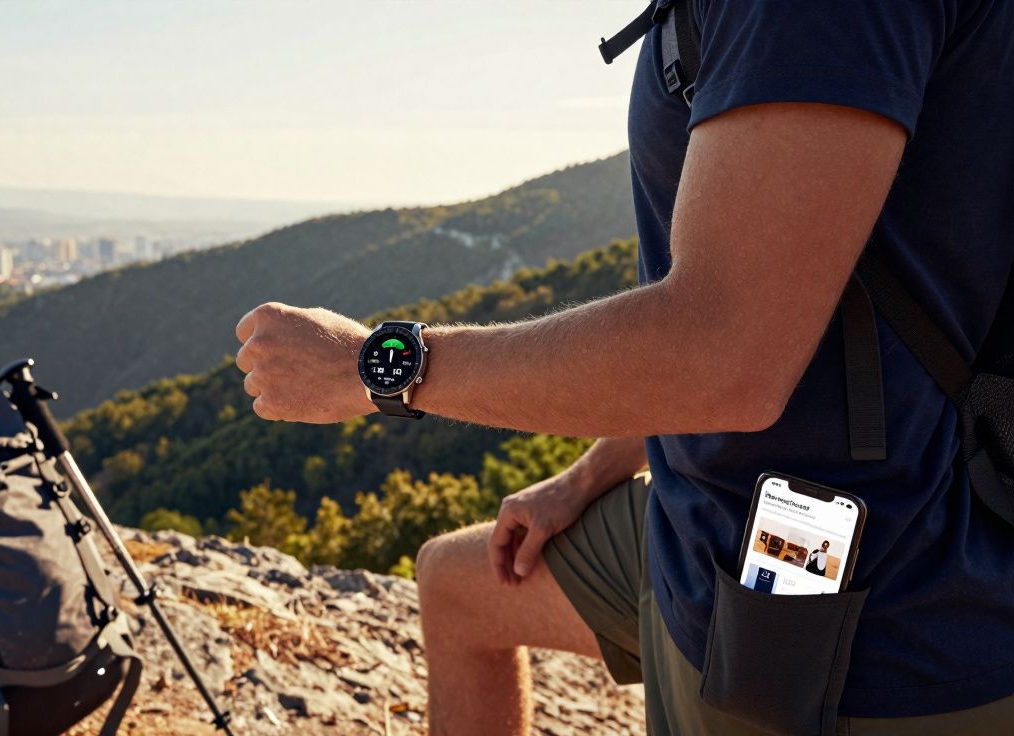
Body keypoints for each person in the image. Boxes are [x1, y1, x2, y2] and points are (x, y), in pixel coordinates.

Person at [233, 1, 1014, 733]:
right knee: (458, 584)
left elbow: (726, 352)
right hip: (702, 527)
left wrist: (376, 367)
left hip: (862, 622)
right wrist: (591, 472)